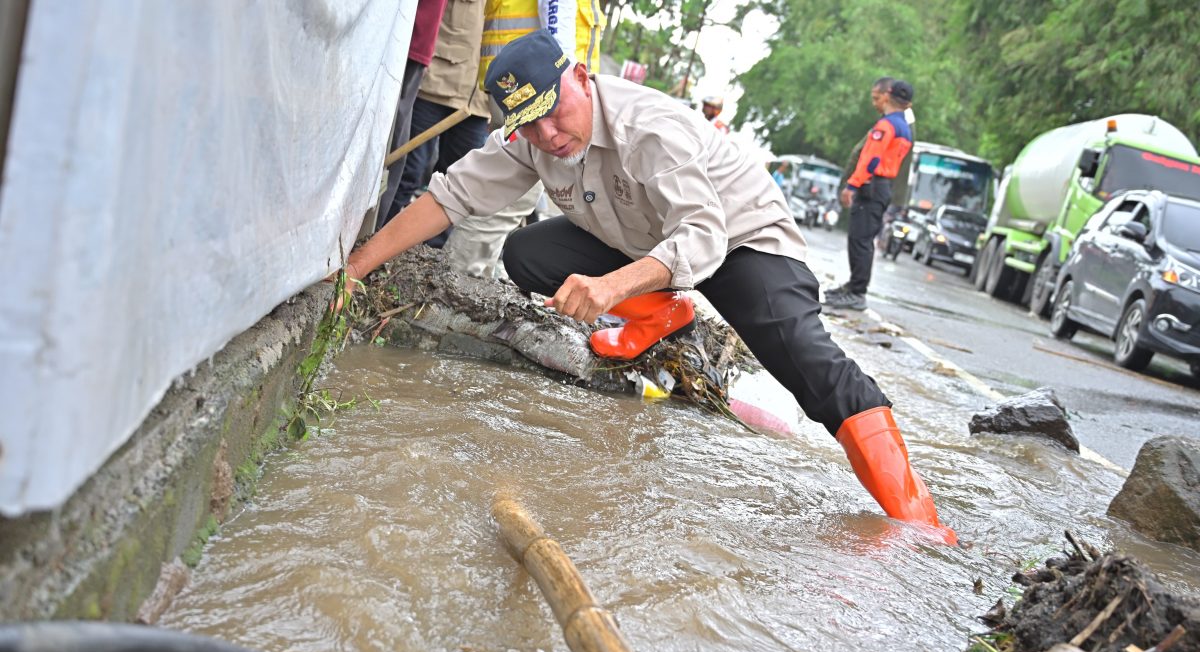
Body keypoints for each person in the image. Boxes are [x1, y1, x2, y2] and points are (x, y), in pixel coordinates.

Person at [342, 31, 955, 544]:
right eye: (530, 126)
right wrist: (357, 266)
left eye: (557, 113)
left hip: (739, 239)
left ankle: (918, 525)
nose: (551, 135)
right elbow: (452, 194)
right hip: (645, 240)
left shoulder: (649, 127)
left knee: (807, 362)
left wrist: (611, 288)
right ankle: (662, 315)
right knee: (528, 252)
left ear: (582, 77)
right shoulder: (533, 138)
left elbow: (704, 237)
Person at [442, 0, 606, 279]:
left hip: (527, 90)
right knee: (504, 196)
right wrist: (562, 91)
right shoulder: (553, 90)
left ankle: (474, 277)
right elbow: (558, 12)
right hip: (537, 95)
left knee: (506, 191)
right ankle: (459, 282)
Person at [825, 79, 915, 311]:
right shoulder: (905, 127)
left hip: (871, 185)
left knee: (860, 240)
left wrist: (852, 185)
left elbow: (870, 159)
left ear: (887, 96)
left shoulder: (885, 126)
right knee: (863, 239)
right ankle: (853, 287)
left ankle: (857, 293)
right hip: (884, 185)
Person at [371, 0, 450, 236]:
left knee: (396, 154)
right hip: (394, 37)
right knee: (392, 153)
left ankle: (371, 239)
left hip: (415, 42)